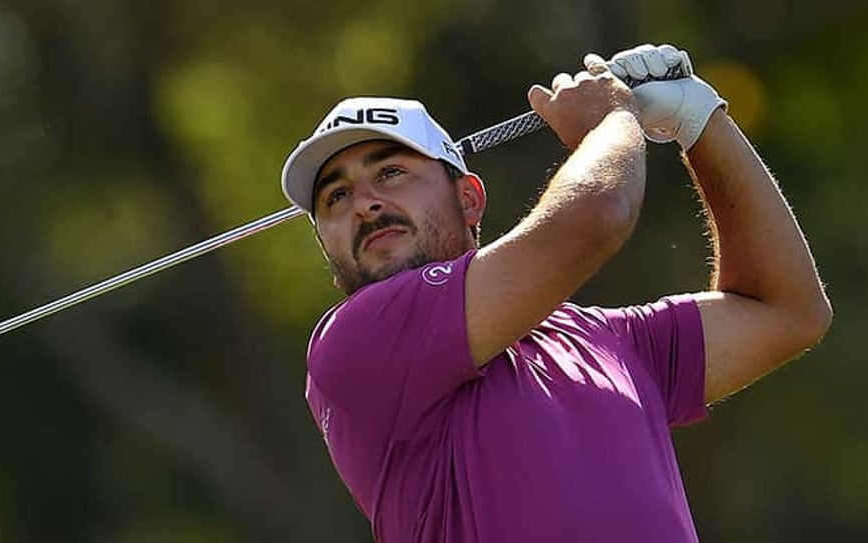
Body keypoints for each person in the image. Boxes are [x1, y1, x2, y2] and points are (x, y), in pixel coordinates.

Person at [278, 44, 831, 542]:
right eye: (336, 197)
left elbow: (785, 310)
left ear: (469, 200)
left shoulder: (606, 340)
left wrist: (700, 119)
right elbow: (595, 216)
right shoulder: (355, 343)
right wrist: (613, 119)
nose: (365, 204)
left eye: (391, 173)